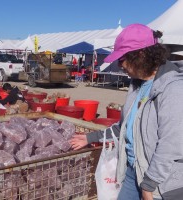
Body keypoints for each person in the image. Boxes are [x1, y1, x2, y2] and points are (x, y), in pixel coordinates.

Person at [69, 24, 183, 200]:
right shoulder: (137, 85)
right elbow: (125, 126)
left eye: (122, 59)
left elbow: (172, 144)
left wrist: (149, 184)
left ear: (141, 55)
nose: (119, 65)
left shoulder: (174, 88)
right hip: (134, 171)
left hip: (161, 183)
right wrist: (90, 137)